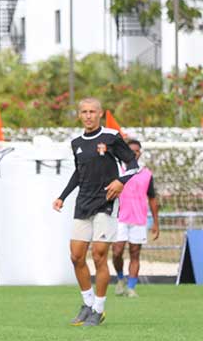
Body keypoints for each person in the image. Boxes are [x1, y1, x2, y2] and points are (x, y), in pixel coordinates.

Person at [53, 98, 138, 327]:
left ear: (100, 113)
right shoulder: (76, 142)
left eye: (92, 111)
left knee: (99, 254)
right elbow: (79, 173)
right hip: (83, 203)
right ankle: (87, 304)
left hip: (106, 202)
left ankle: (99, 310)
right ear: (79, 115)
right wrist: (62, 196)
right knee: (76, 256)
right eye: (84, 112)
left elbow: (133, 164)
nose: (88, 115)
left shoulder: (111, 137)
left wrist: (121, 182)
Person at [112, 139, 159, 298]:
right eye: (130, 150)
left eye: (136, 151)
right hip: (119, 218)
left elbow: (152, 198)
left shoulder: (146, 174)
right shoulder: (118, 170)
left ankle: (131, 288)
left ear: (140, 153)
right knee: (117, 251)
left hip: (139, 220)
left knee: (135, 253)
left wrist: (156, 223)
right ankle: (120, 278)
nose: (133, 153)